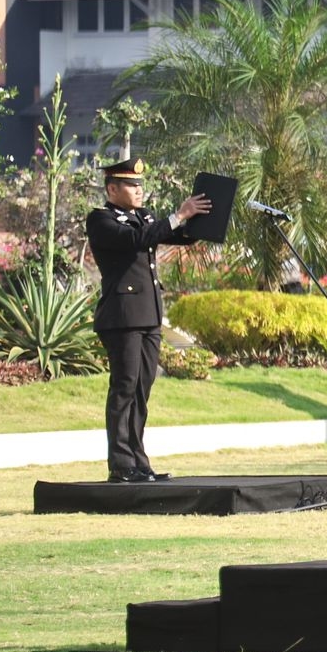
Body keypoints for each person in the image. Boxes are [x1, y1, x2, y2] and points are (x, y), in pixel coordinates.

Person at [86, 159, 209, 483]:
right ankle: (121, 464)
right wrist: (178, 215)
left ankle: (138, 462)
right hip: (122, 317)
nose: (139, 191)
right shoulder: (101, 219)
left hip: (149, 315)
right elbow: (135, 240)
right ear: (113, 189)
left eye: (141, 185)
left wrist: (201, 218)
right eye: (132, 185)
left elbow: (177, 236)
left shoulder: (144, 218)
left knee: (142, 389)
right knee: (124, 388)